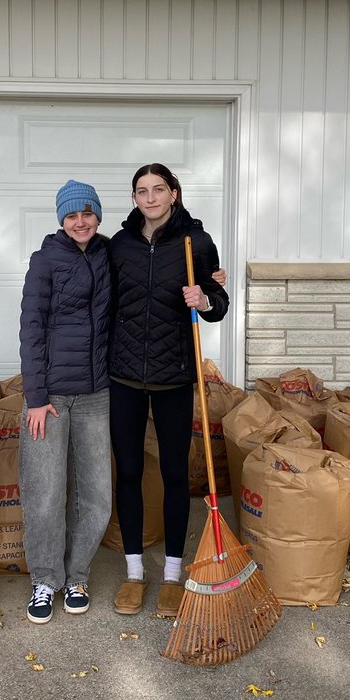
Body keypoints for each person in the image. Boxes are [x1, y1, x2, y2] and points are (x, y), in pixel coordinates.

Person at [108, 163, 229, 617]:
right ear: (134, 198)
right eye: (142, 191)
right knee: (129, 472)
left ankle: (173, 575)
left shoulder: (196, 242)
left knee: (176, 473)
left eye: (159, 189)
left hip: (175, 375)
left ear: (174, 193)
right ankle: (134, 573)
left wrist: (206, 299)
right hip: (124, 376)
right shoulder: (120, 245)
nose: (151, 197)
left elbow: (218, 304)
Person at [18, 180, 112, 624]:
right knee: (45, 493)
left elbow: (154, 253)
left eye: (87, 213)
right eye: (71, 215)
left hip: (96, 395)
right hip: (50, 399)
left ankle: (77, 576)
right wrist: (35, 398)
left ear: (97, 215)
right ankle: (45, 580)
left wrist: (209, 278)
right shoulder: (45, 260)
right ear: (61, 219)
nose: (80, 222)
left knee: (97, 495)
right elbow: (31, 329)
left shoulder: (109, 253)